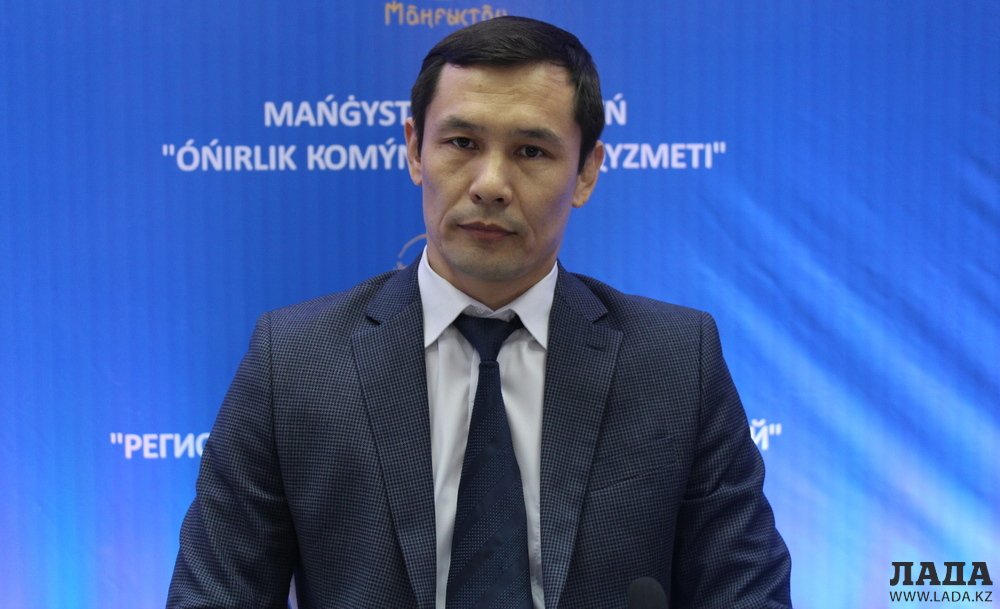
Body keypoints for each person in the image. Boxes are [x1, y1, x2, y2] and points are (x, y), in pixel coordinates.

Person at [167, 16, 792, 609]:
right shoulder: (295, 363)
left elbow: (745, 594)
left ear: (586, 173)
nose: (490, 184)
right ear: (415, 150)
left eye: (531, 151)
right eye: (462, 143)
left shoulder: (676, 362)